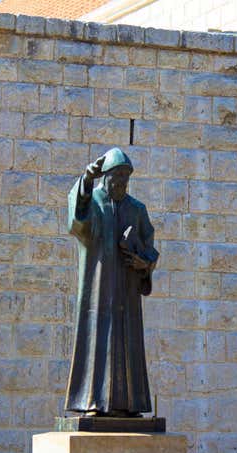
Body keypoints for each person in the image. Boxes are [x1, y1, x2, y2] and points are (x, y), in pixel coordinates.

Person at [65, 147, 159, 417]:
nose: (121, 184)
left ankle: (130, 405)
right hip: (98, 290)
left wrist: (145, 263)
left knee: (128, 343)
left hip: (127, 293)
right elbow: (77, 223)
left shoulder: (137, 209)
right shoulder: (92, 201)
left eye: (125, 179)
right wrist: (85, 180)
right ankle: (92, 402)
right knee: (97, 339)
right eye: (116, 178)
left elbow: (150, 247)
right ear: (105, 177)